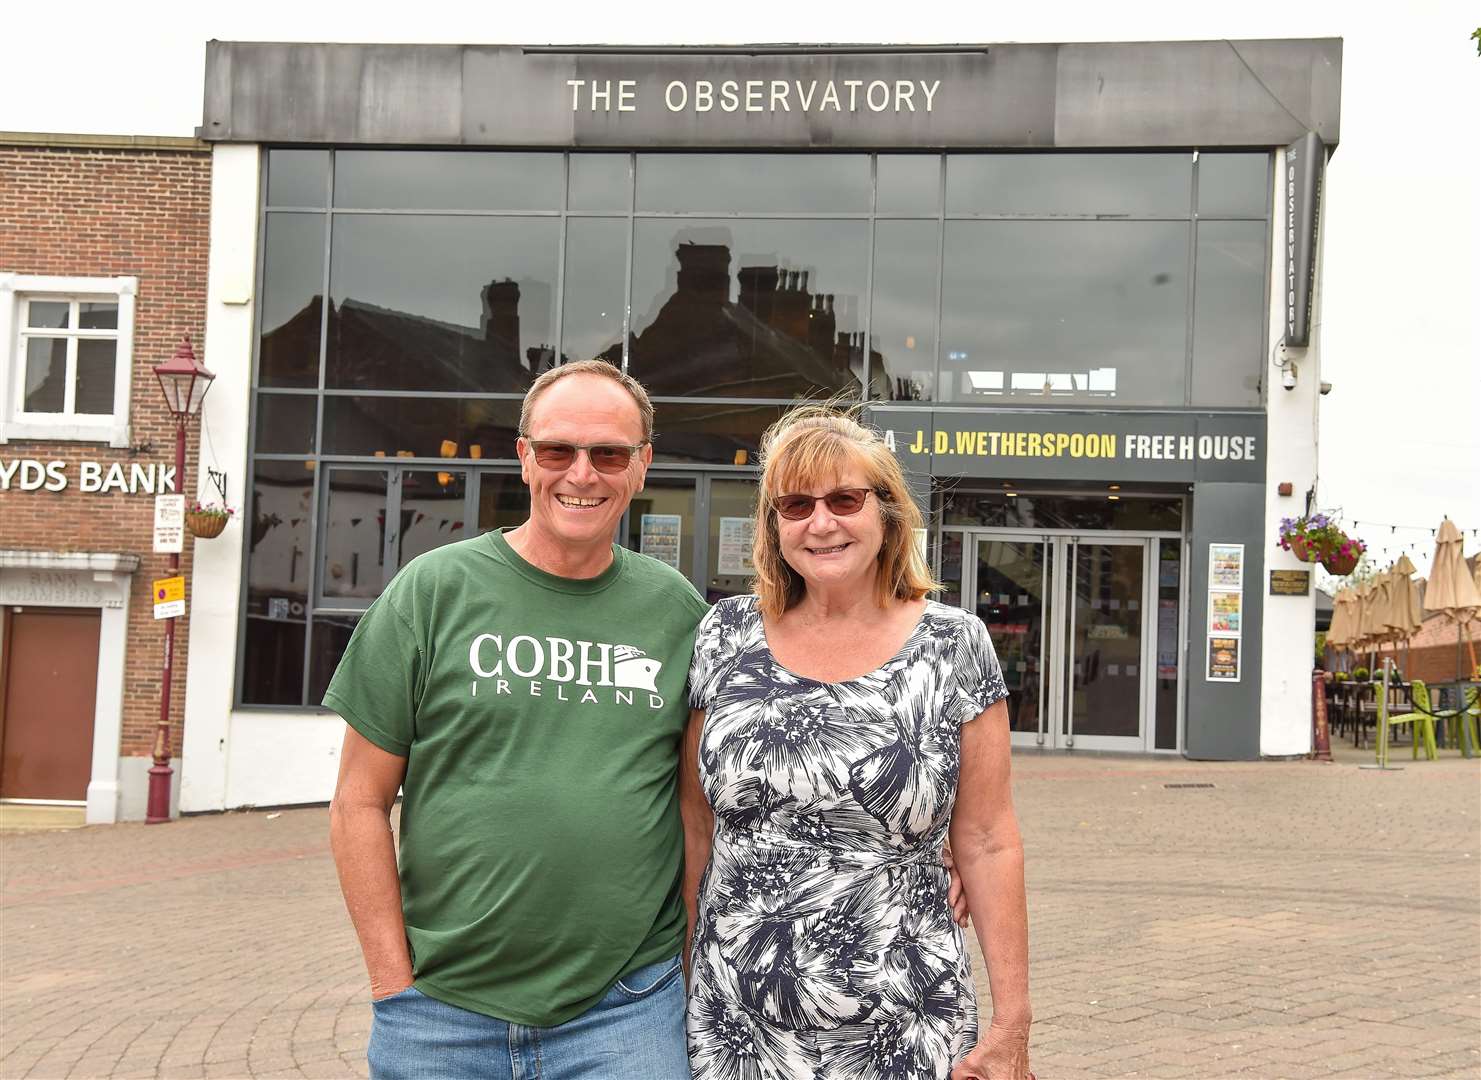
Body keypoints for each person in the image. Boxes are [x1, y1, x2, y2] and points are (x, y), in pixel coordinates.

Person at [325, 360, 707, 1080]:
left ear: (641, 464)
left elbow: (698, 810)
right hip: (440, 1012)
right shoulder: (433, 592)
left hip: (626, 1011)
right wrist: (391, 982)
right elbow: (358, 802)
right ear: (524, 455)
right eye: (559, 450)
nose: (582, 474)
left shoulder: (676, 610)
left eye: (609, 454)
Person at [680, 404, 1033, 1080]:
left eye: (844, 499)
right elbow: (696, 825)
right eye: (795, 504)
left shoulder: (953, 644)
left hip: (903, 1019)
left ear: (887, 513)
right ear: (772, 525)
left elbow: (988, 839)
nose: (821, 523)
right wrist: (685, 976)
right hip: (737, 1021)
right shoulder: (723, 636)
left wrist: (1012, 1021)